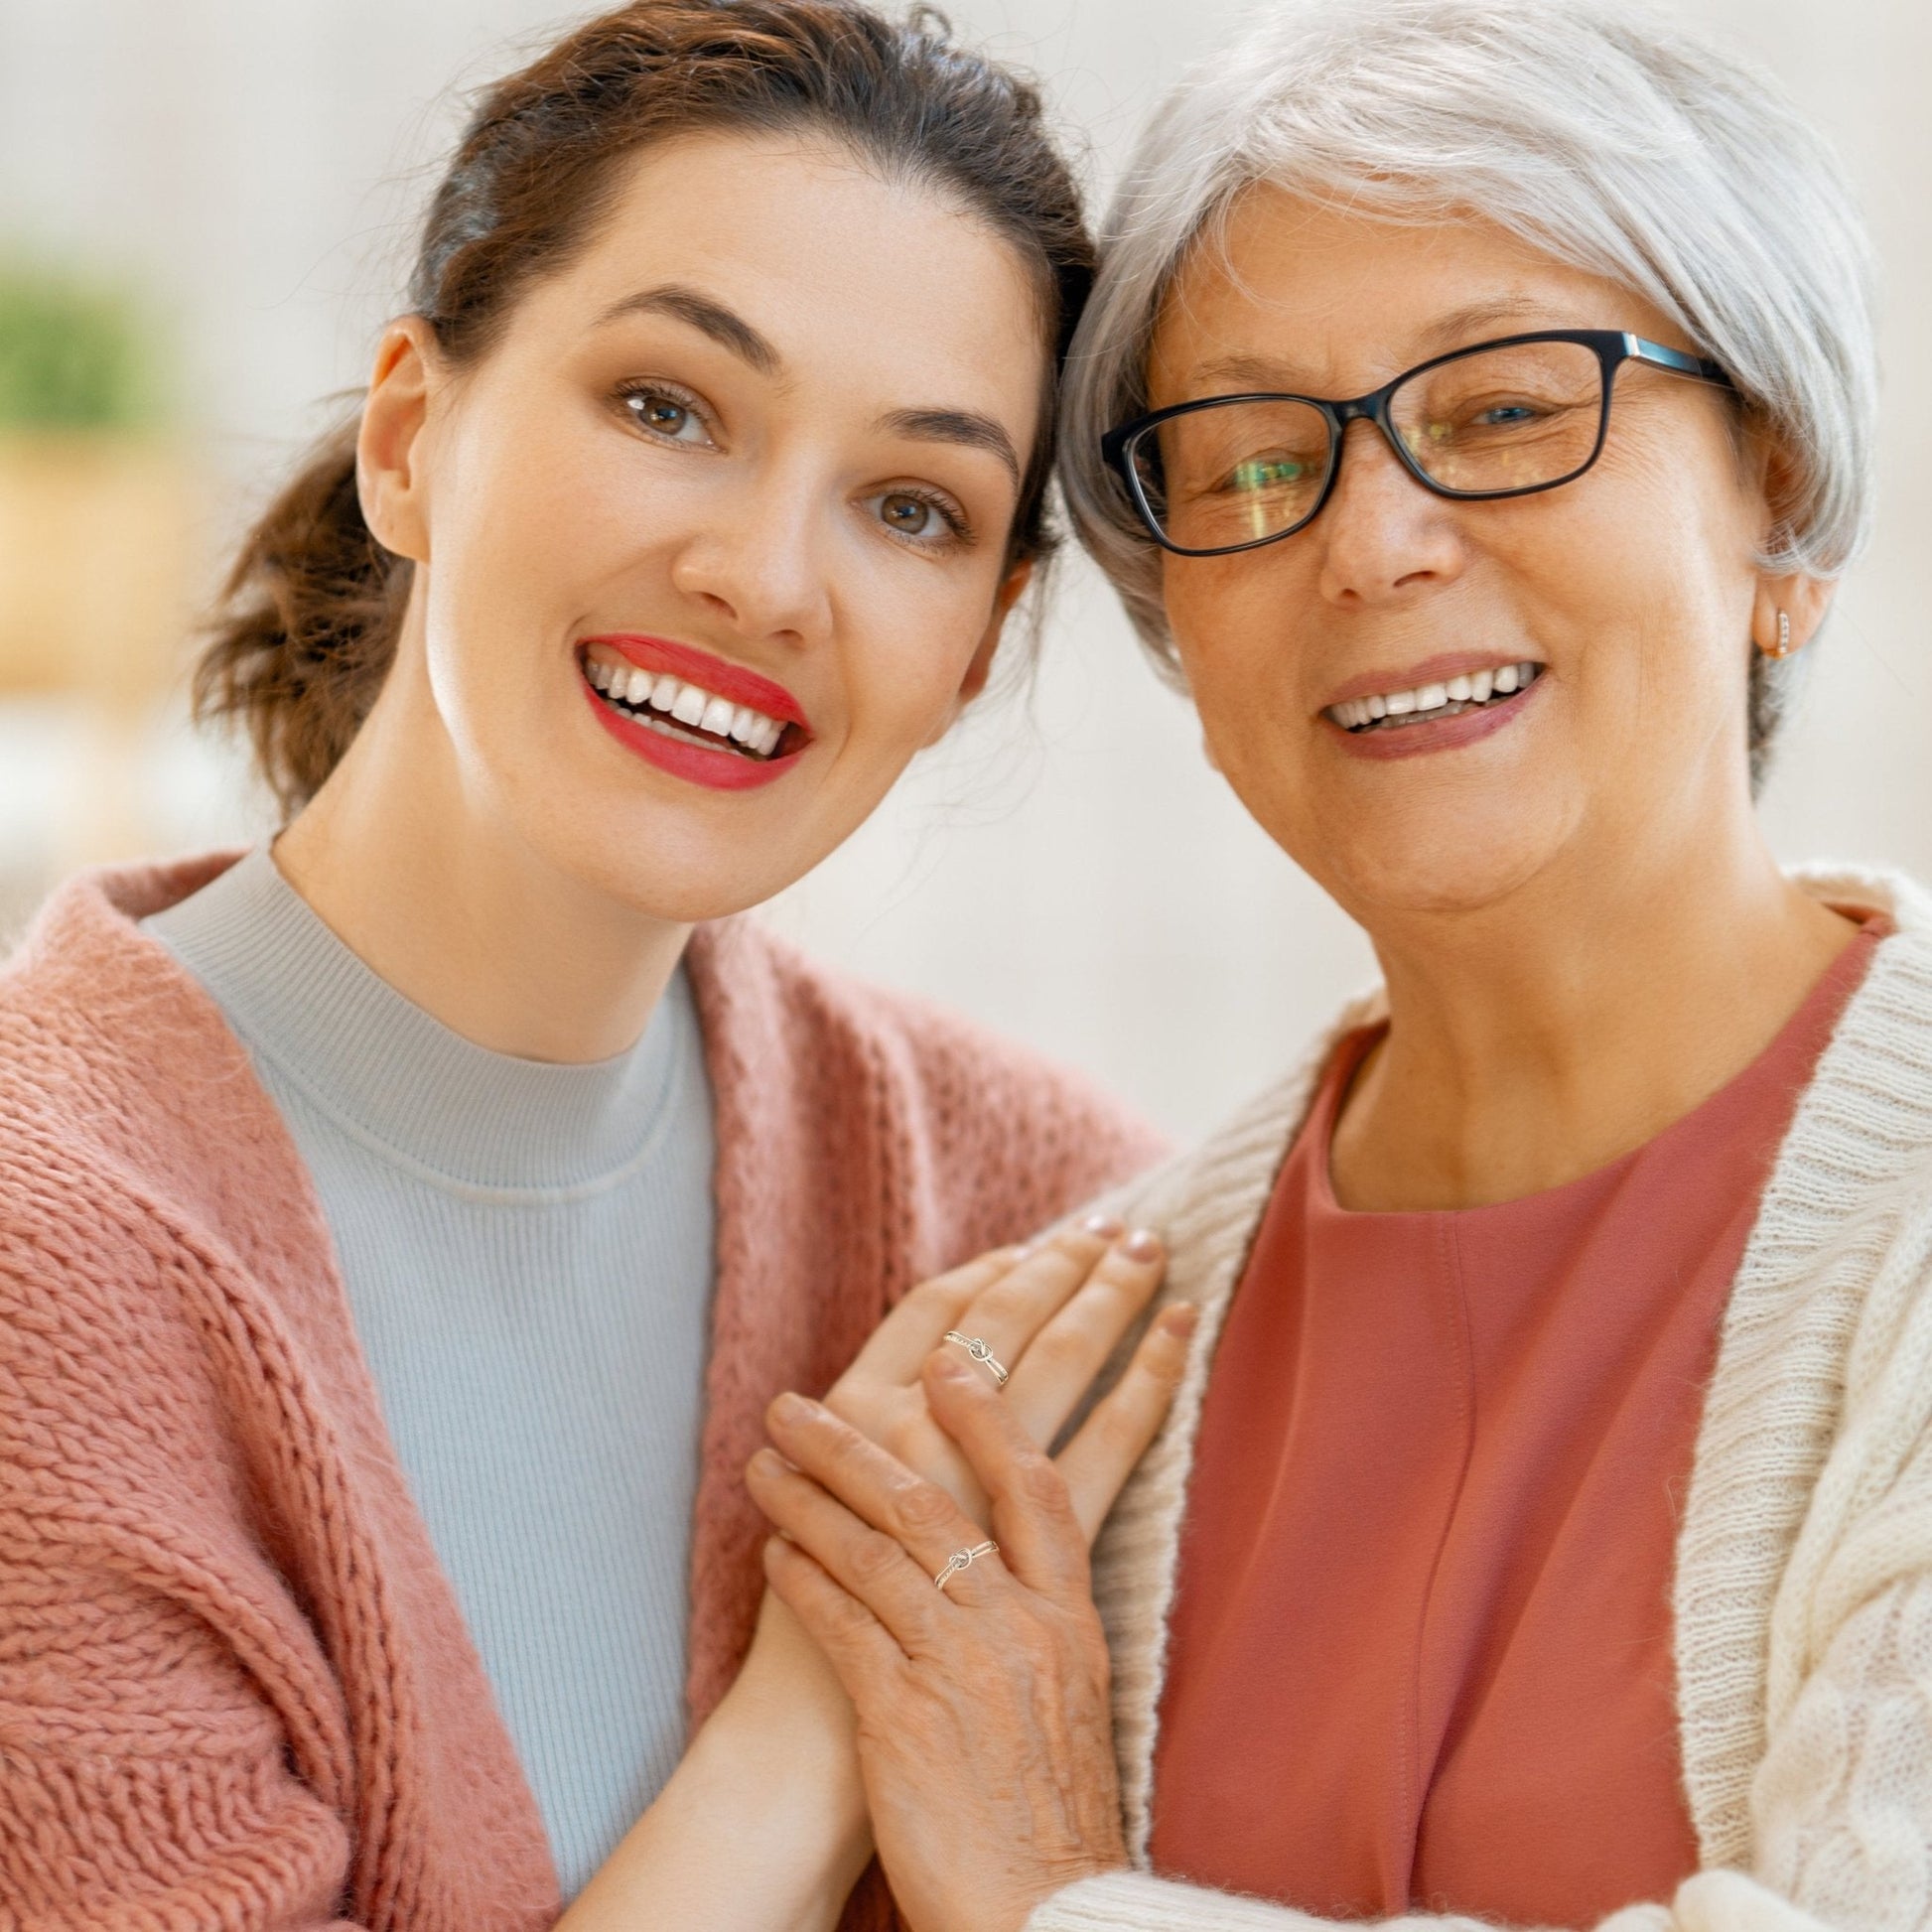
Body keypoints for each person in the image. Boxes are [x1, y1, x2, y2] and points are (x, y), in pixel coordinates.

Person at [741, 3, 1932, 1928]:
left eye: (1508, 409)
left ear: (1777, 506)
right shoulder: (1069, 1358)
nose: (1371, 541)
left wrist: (1052, 1891)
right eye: (1246, 457)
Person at [0, 5, 1189, 1928]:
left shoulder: (1045, 1234)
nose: (766, 576)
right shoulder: (45, 1262)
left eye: (912, 506)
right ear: (409, 436)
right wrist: (818, 1730)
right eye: (666, 405)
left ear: (979, 644)